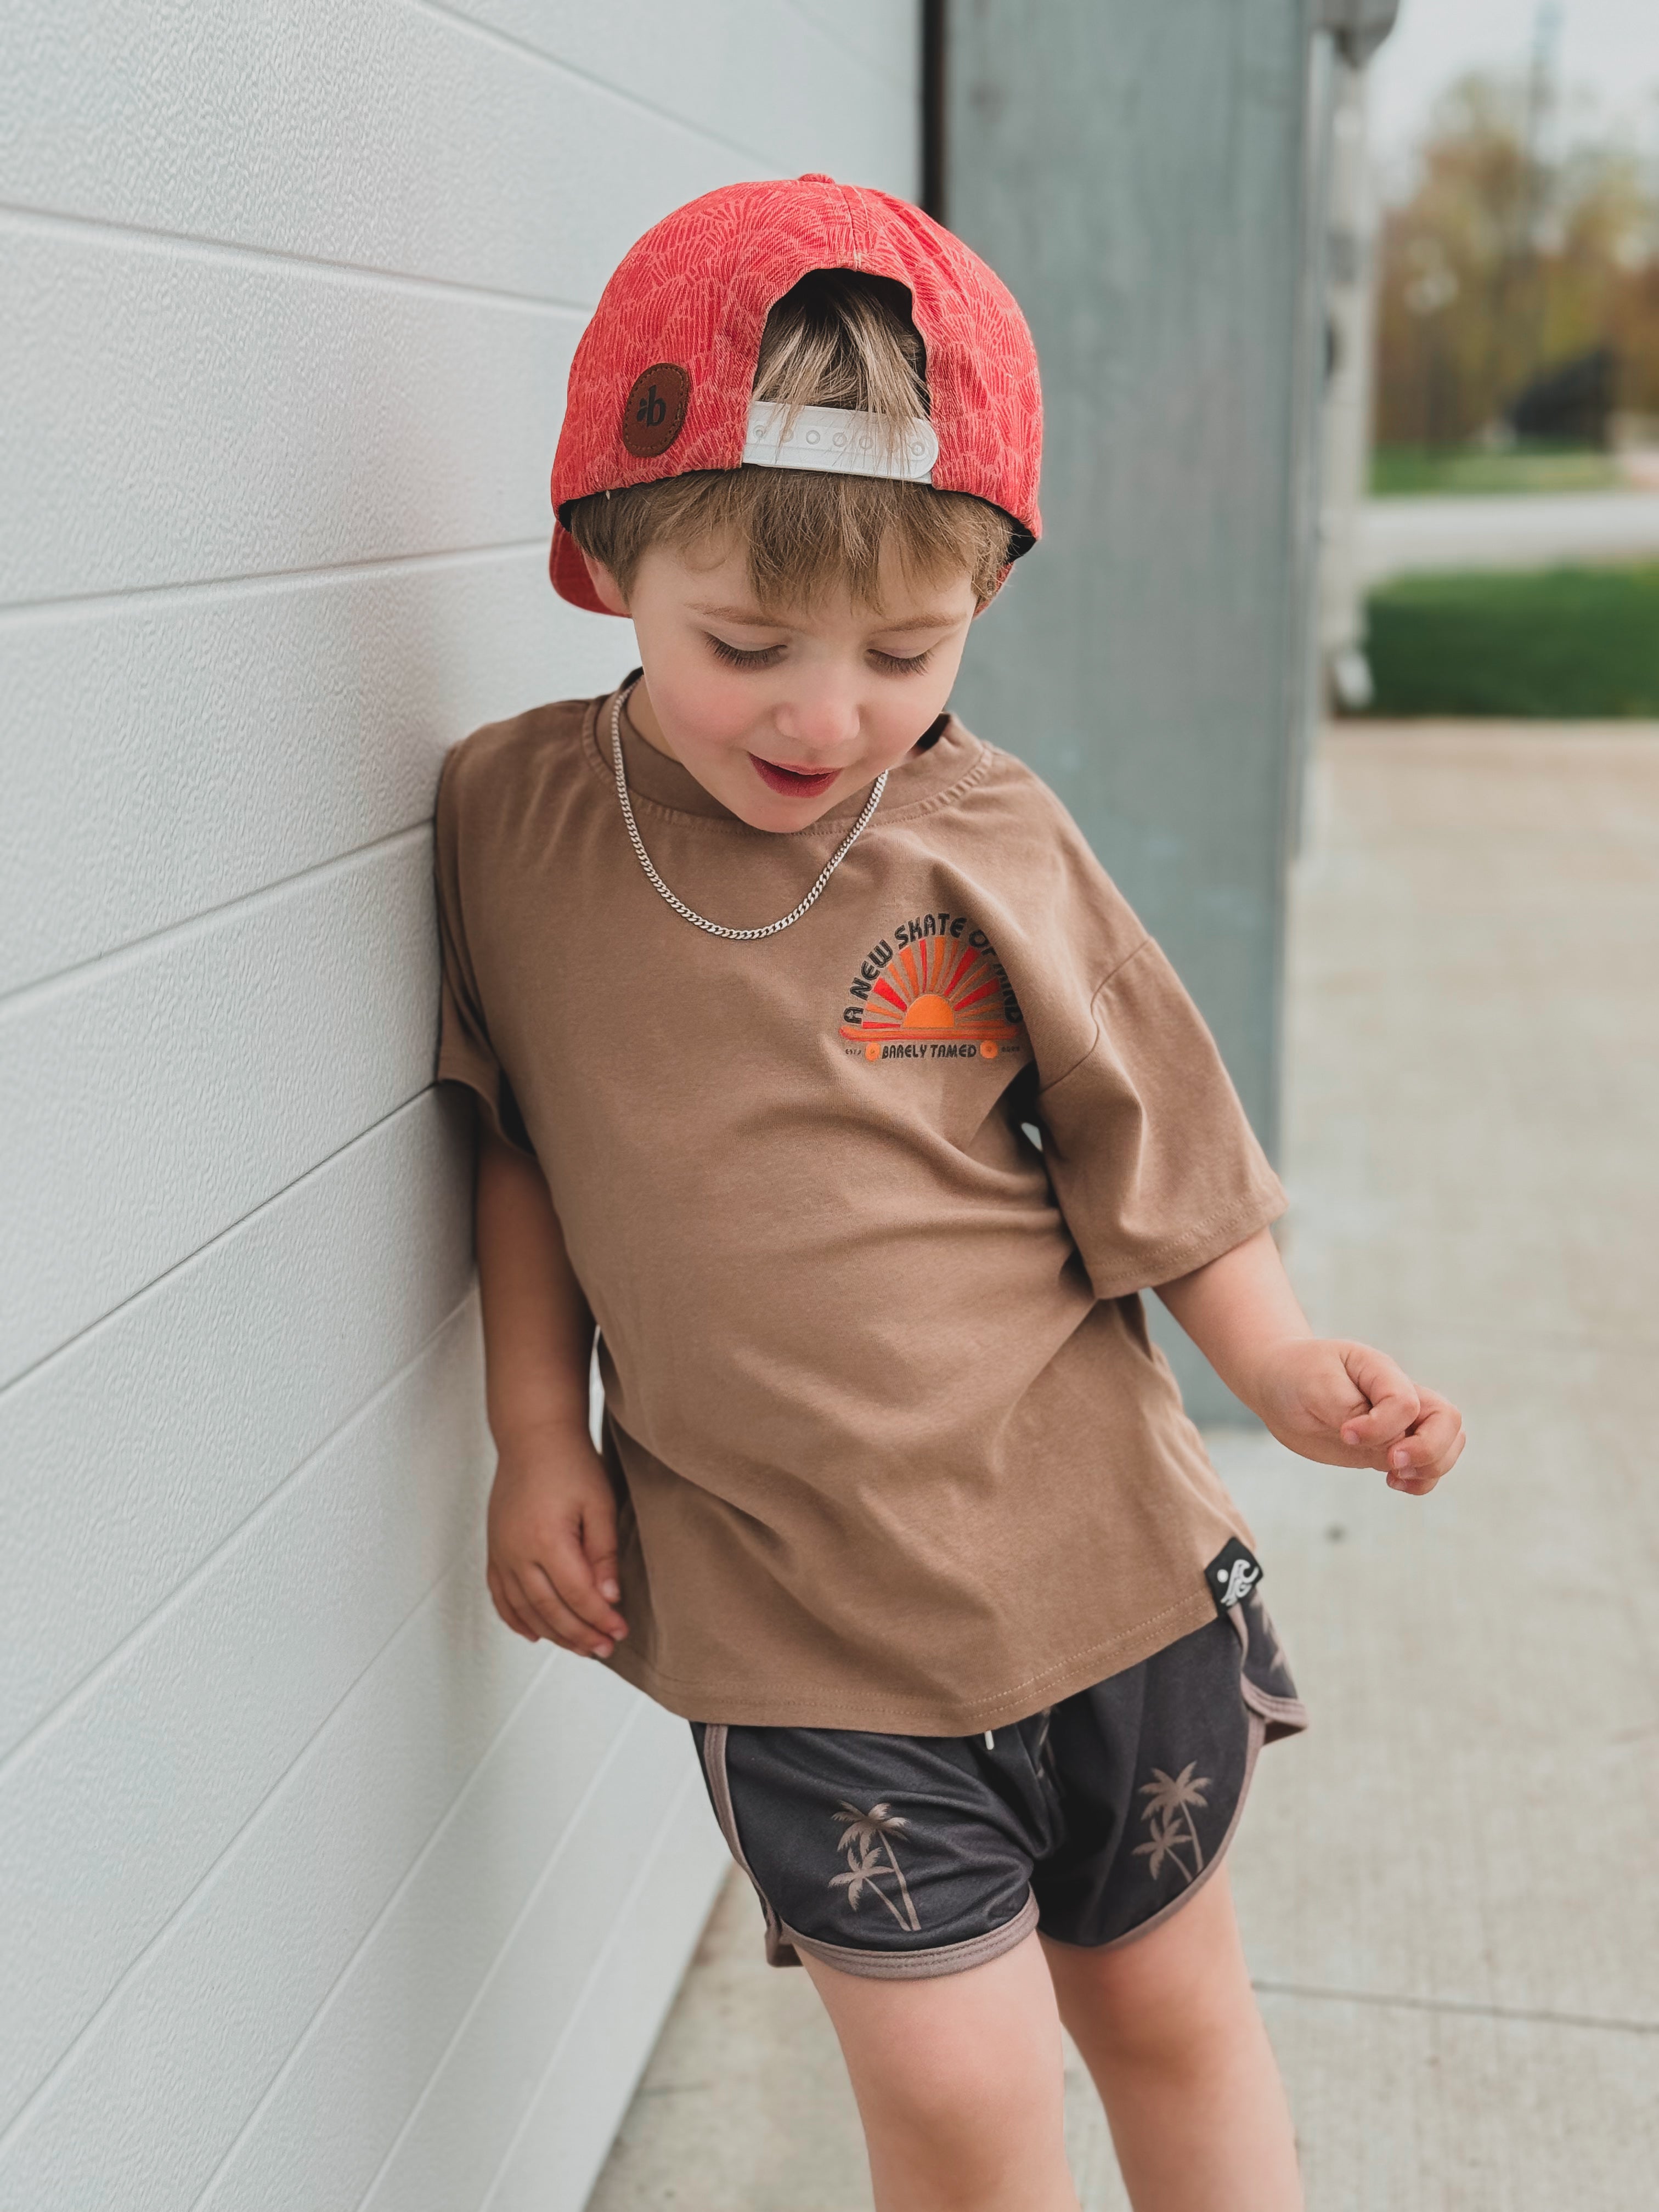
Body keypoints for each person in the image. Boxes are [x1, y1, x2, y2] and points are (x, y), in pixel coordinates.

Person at [432, 175, 1464, 2212]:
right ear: (606, 560)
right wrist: (533, 1431)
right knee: (968, 2109)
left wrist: (1285, 1357)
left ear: (982, 602)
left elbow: (1148, 1137)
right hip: (799, 1624)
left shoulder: (986, 831)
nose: (827, 716)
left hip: (1095, 1566)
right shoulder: (513, 822)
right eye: (747, 642)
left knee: (1171, 2023)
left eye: (906, 649)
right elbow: (527, 1143)